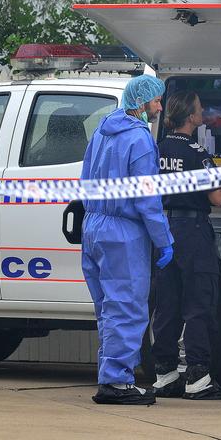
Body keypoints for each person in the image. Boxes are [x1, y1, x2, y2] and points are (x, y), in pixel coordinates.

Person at [81, 74, 174, 406]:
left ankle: (111, 376)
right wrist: (163, 240)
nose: (160, 106)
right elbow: (147, 198)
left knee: (107, 308)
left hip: (94, 227)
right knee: (127, 309)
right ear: (142, 102)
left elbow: (85, 179)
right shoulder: (139, 138)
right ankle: (116, 383)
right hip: (124, 233)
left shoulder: (102, 131)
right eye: (156, 101)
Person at [150, 90, 221, 400]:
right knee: (198, 303)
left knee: (166, 303)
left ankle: (165, 373)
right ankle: (198, 376)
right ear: (191, 117)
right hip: (193, 231)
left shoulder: (157, 148)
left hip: (163, 230)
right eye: (200, 108)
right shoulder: (198, 153)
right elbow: (217, 198)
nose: (203, 112)